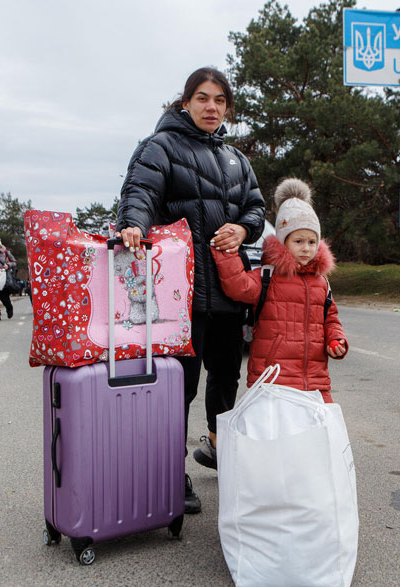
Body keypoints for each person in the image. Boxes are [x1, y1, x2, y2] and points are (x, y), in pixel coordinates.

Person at [116, 66, 265, 514]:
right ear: (185, 102)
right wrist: (132, 226)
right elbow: (140, 191)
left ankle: (221, 451)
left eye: (220, 100)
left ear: (228, 109)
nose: (211, 107)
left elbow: (256, 207)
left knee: (226, 379)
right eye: (202, 98)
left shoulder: (236, 159)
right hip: (178, 296)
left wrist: (242, 228)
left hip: (227, 290)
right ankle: (170, 471)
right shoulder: (160, 146)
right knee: (178, 386)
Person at [211, 178, 348, 400]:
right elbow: (238, 286)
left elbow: (330, 319)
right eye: (299, 241)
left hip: (314, 380)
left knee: (315, 433)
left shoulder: (321, 282)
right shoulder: (268, 276)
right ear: (283, 242)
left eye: (312, 242)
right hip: (273, 378)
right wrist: (225, 252)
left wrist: (336, 340)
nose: (306, 248)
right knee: (276, 434)